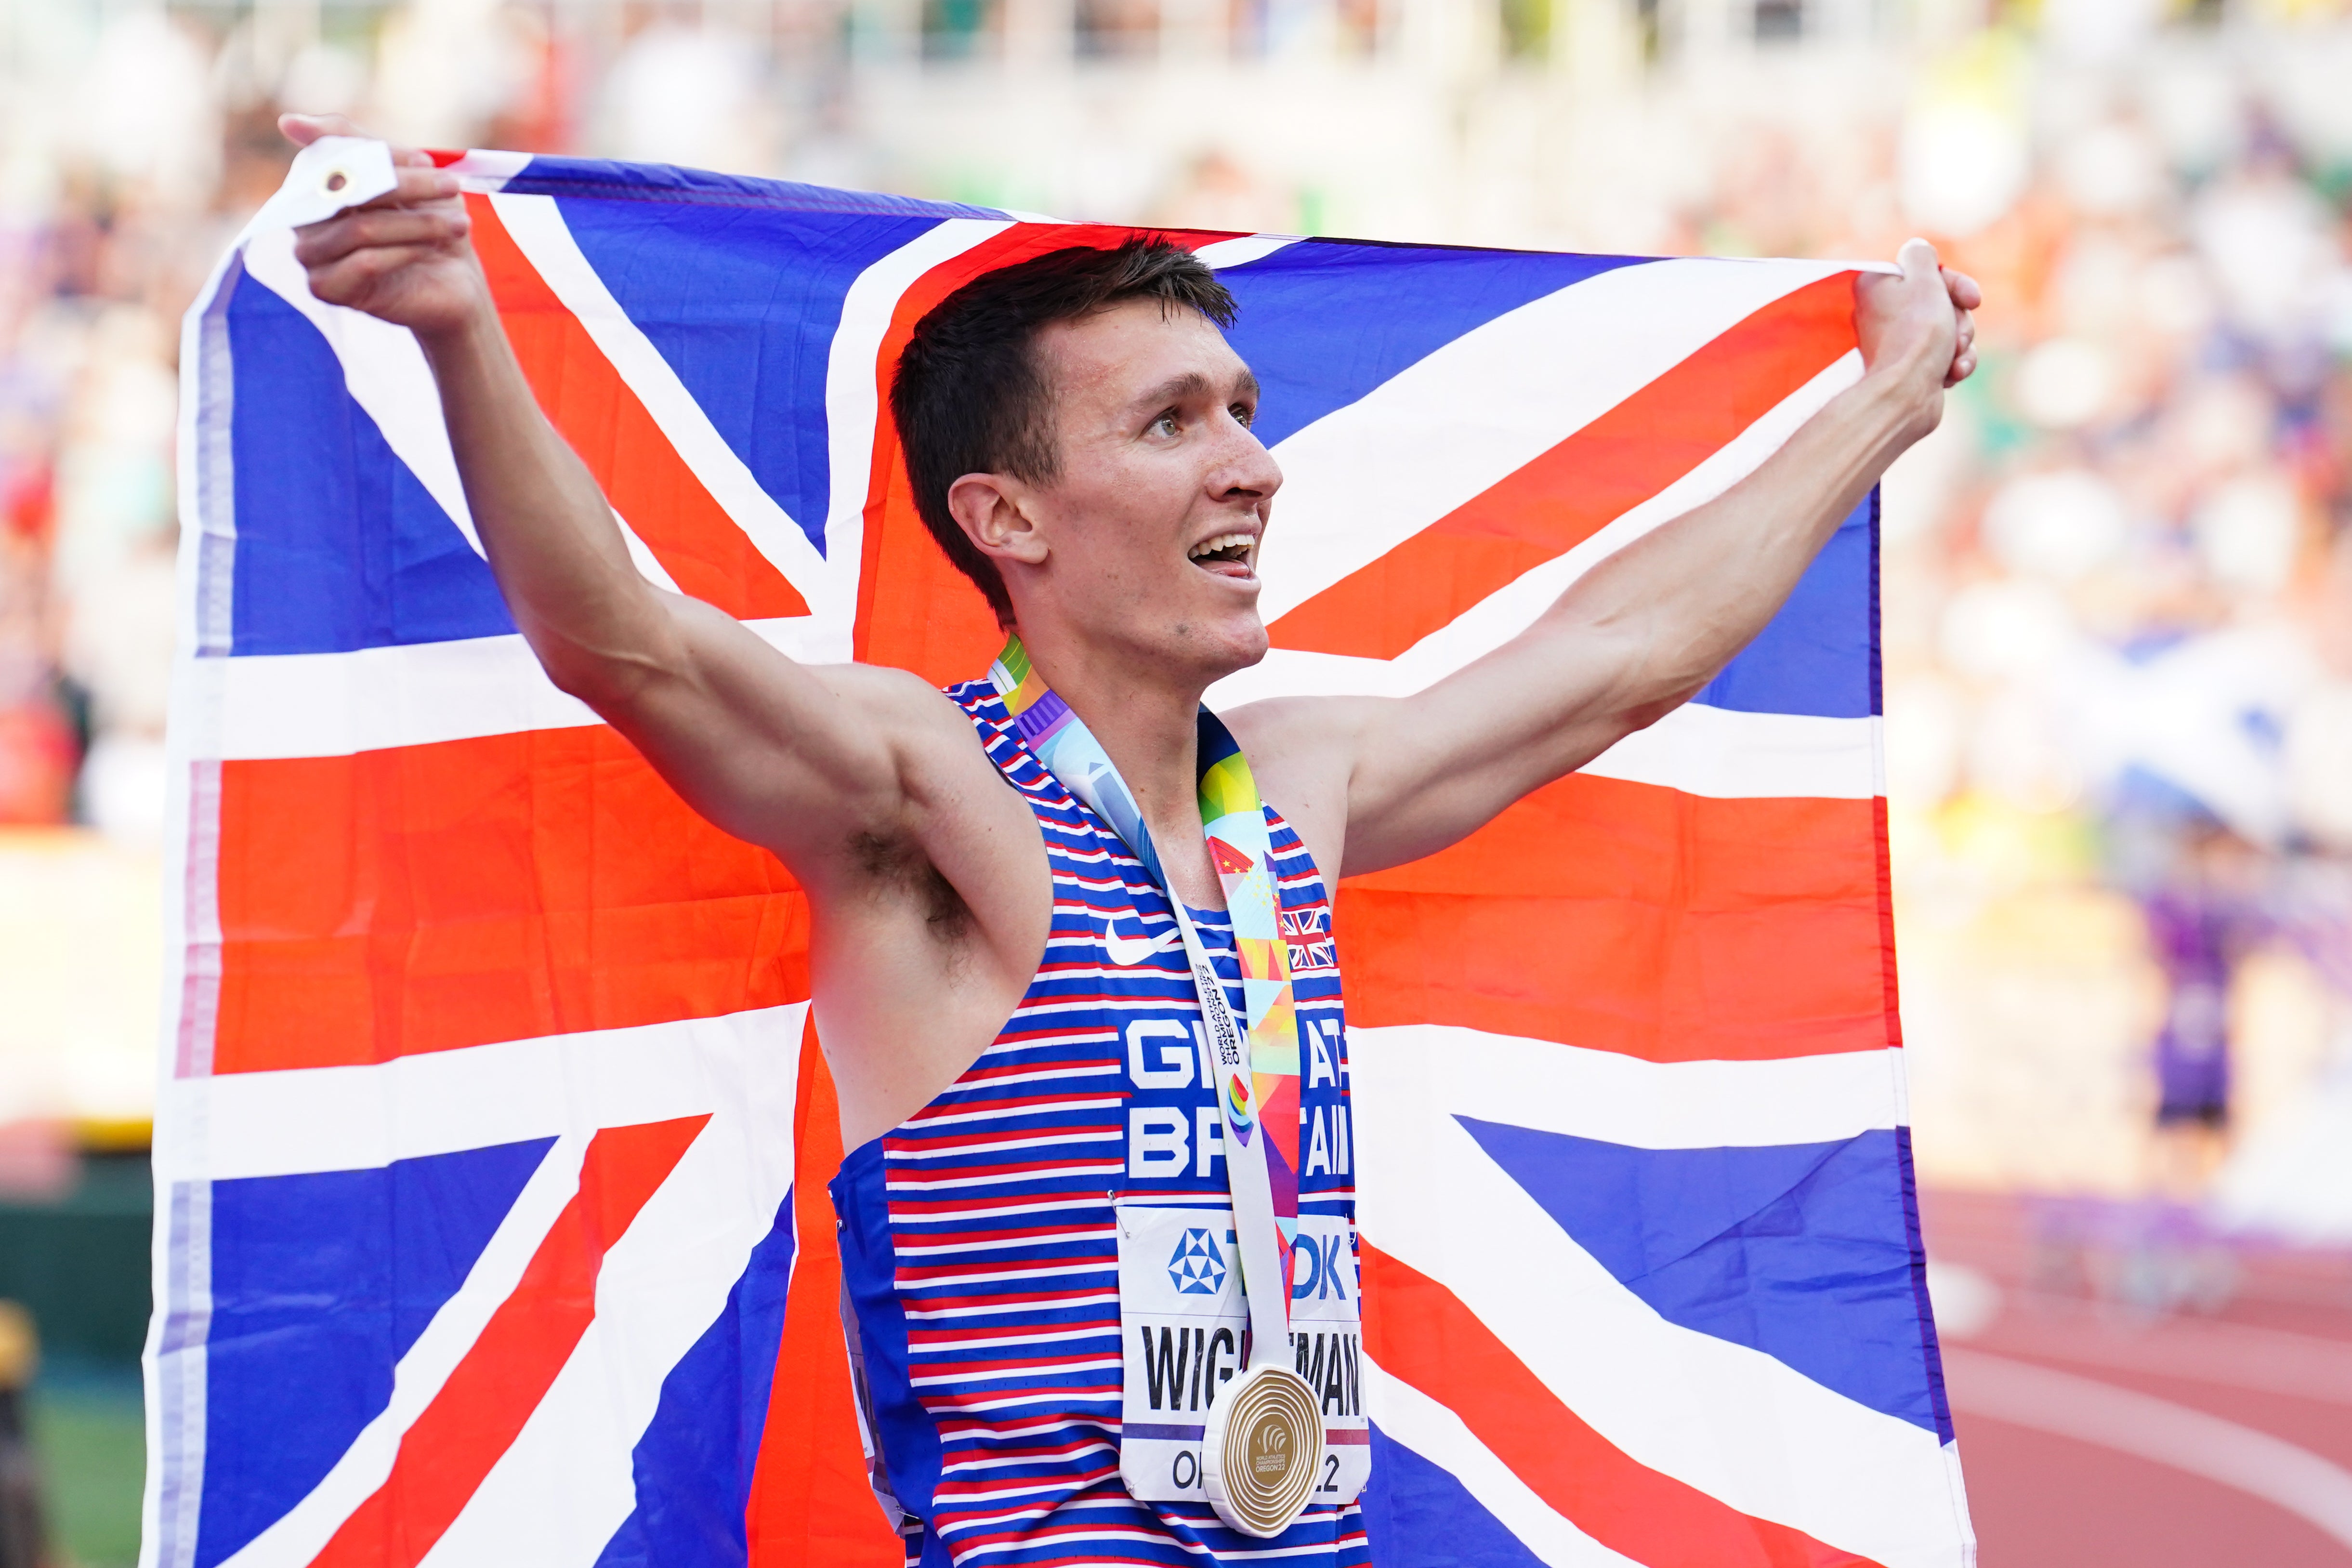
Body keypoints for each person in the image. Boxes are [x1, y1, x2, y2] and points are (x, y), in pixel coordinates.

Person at [277, 113, 1977, 1568]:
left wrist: (1883, 408)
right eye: (1173, 423)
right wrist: (457, 331)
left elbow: (1619, 658)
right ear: (1005, 517)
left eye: (1240, 409)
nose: (1255, 466)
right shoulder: (933, 793)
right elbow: (629, 647)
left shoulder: (1290, 793)